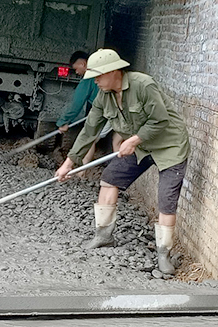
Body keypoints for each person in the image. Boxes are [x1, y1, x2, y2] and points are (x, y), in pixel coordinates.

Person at [54, 49, 190, 275]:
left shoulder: (143, 85)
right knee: (109, 179)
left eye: (98, 76)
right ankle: (103, 235)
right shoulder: (103, 96)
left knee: (166, 198)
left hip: (169, 145)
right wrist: (70, 162)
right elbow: (89, 131)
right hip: (141, 146)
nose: (95, 81)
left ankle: (163, 254)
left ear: (114, 71)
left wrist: (134, 140)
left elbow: (160, 120)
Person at [57, 51, 122, 171]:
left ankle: (82, 173)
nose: (76, 72)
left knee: (91, 139)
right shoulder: (102, 78)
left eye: (76, 69)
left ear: (83, 64)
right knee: (117, 141)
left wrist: (63, 121)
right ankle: (119, 171)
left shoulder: (89, 79)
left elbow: (76, 104)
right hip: (117, 109)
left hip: (110, 111)